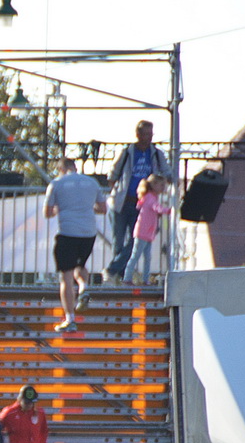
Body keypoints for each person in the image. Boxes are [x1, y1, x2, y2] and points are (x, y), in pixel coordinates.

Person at [42, 156, 108, 333]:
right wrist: (87, 208)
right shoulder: (91, 182)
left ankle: (70, 318)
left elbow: (47, 212)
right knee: (80, 266)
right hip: (88, 233)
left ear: (60, 169)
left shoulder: (57, 184)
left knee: (66, 277)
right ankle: (84, 287)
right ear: (75, 167)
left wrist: (60, 208)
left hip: (68, 232)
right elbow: (103, 208)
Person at [105, 120, 175, 283]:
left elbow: (166, 171)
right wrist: (115, 189)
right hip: (123, 202)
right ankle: (119, 275)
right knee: (118, 240)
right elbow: (113, 173)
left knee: (136, 239)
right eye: (145, 134)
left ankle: (113, 270)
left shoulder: (156, 154)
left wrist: (167, 181)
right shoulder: (127, 152)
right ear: (138, 135)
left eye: (151, 134)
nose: (148, 138)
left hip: (144, 204)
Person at [125, 175, 172, 283]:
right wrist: (168, 210)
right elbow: (156, 207)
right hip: (143, 232)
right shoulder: (150, 198)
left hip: (148, 233)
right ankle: (127, 278)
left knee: (147, 257)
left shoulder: (150, 197)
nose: (163, 187)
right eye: (161, 185)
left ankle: (145, 280)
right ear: (154, 185)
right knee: (136, 255)